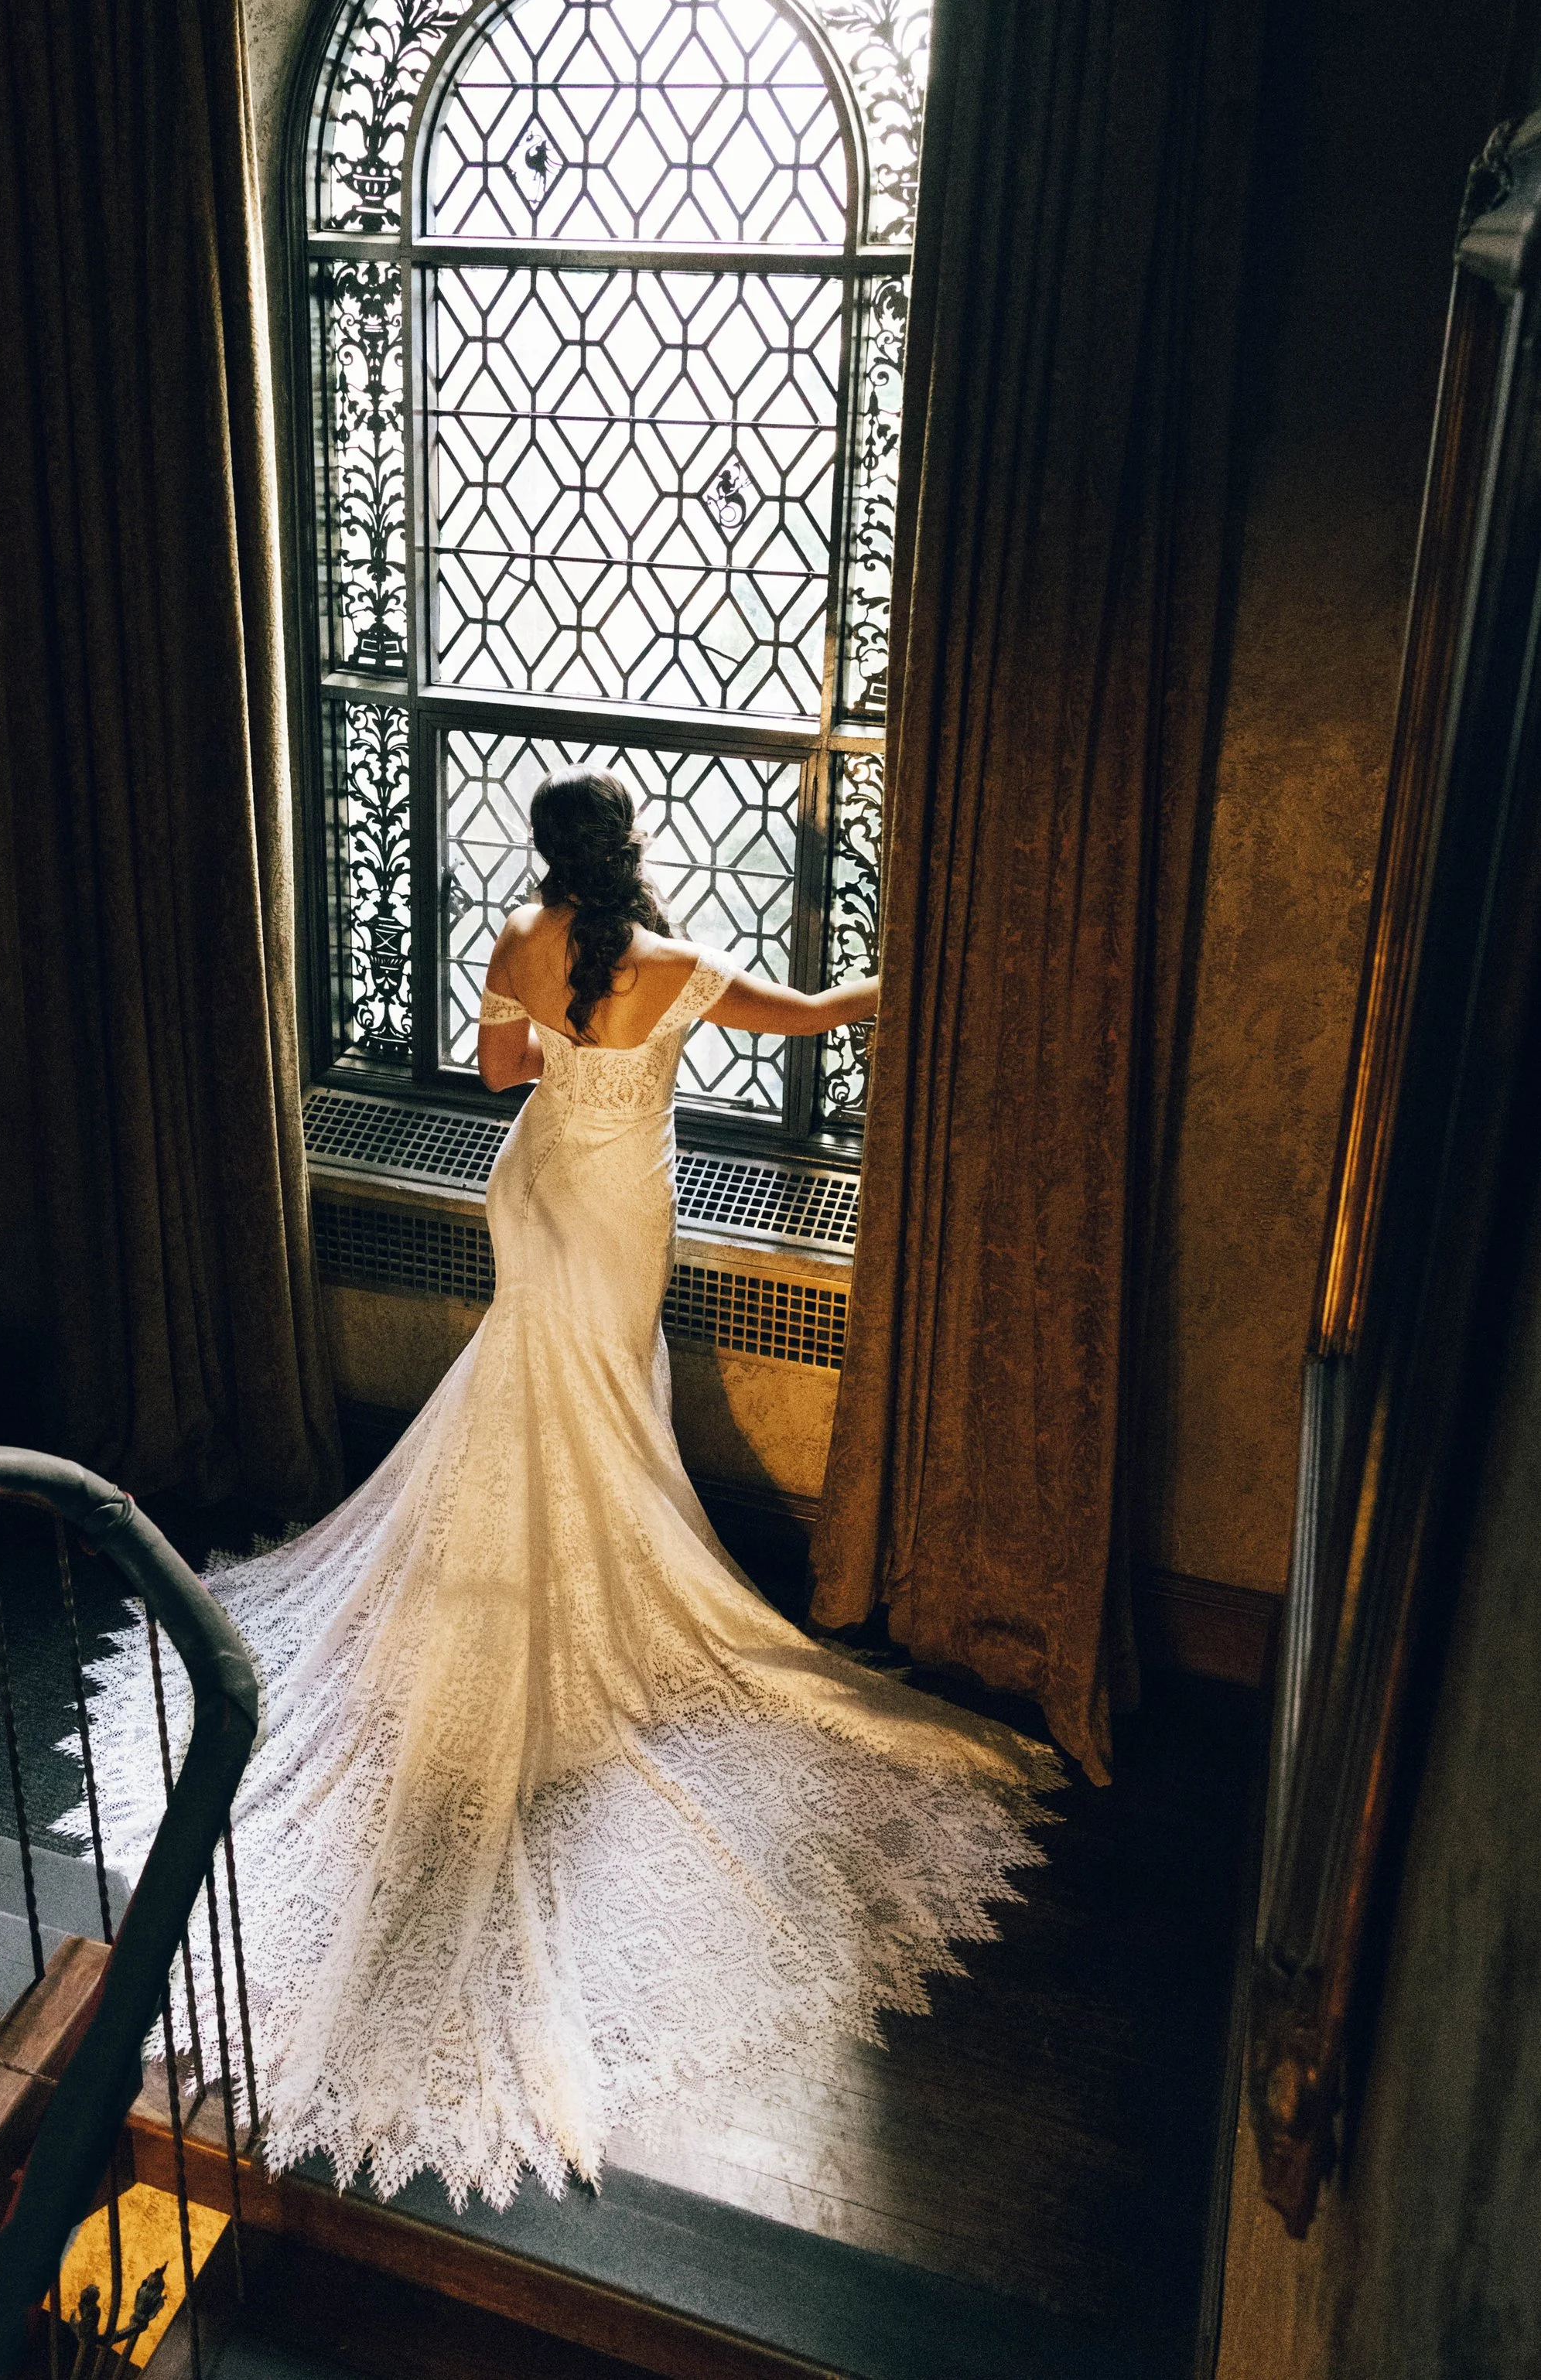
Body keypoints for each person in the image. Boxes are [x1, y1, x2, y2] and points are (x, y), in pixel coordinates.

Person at [76, 768, 1055, 2211]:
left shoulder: (519, 943)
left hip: (531, 1196)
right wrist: (891, 981)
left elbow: (492, 1079)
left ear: (548, 860)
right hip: (618, 1216)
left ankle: (528, 1564)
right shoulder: (688, 969)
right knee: (600, 1389)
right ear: (634, 852)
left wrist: (558, 1041)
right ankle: (590, 1570)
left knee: (530, 1387)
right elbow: (811, 1017)